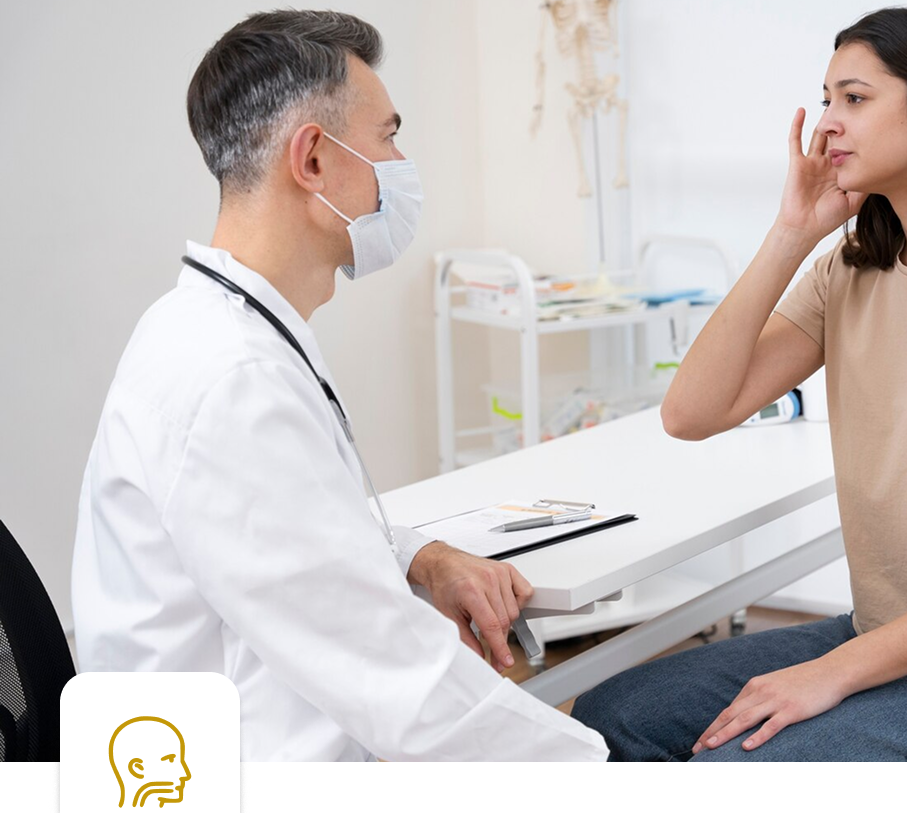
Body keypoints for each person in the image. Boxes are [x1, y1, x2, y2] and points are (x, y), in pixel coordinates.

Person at [572, 4, 907, 761]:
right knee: (613, 715)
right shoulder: (849, 269)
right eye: (827, 97)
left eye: (855, 98)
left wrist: (830, 674)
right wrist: (793, 232)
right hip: (886, 639)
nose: (827, 122)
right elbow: (691, 412)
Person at [71, 10, 606, 761]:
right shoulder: (233, 381)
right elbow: (398, 683)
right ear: (314, 160)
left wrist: (420, 556)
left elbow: (308, 544)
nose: (401, 163)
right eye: (388, 137)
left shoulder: (221, 329)